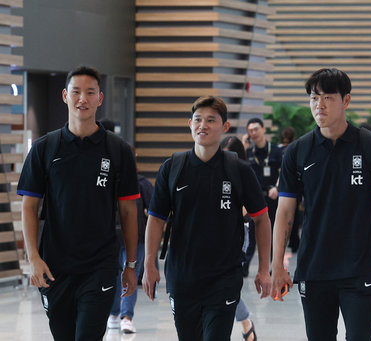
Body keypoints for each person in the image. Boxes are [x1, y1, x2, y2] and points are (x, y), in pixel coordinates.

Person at [271, 68, 371, 341]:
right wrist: (277, 264)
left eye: (328, 97)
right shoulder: (298, 151)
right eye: (313, 98)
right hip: (314, 268)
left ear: (346, 100)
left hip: (361, 267)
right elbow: (285, 212)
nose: (319, 105)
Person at [17, 65, 140, 341]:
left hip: (100, 265)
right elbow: (29, 206)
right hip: (54, 266)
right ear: (65, 96)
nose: (82, 99)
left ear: (100, 98)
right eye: (76, 92)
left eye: (89, 92)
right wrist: (34, 257)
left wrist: (131, 265)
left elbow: (129, 211)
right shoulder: (44, 148)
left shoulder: (118, 150)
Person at [142, 96, 271, 341]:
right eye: (198, 119)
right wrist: (149, 263)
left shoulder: (239, 170)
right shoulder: (172, 168)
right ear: (189, 124)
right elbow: (156, 219)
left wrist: (264, 269)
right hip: (182, 277)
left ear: (225, 127)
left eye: (211, 120)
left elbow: (262, 219)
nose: (203, 125)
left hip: (223, 278)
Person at [107, 145, 154, 334]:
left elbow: (154, 212)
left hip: (137, 239)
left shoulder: (142, 183)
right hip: (111, 237)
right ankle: (114, 314)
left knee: (130, 275)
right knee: (114, 276)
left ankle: (126, 316)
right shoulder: (107, 182)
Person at [220, 135, 258, 341]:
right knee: (221, 284)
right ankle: (246, 324)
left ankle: (245, 323)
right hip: (214, 235)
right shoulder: (214, 170)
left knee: (226, 284)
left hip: (236, 233)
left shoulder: (243, 172)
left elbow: (249, 210)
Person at [245, 117, 283, 275]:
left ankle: (275, 266)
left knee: (274, 232)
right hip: (256, 197)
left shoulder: (275, 151)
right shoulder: (248, 153)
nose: (253, 133)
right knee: (253, 234)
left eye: (256, 129)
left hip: (273, 197)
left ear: (263, 130)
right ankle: (244, 267)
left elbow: (283, 172)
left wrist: (277, 187)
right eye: (250, 130)